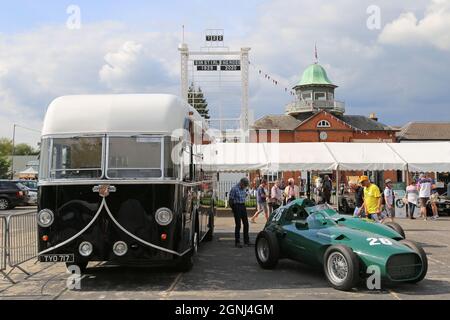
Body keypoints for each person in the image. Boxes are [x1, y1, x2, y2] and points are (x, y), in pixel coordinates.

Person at [229, 178, 251, 248]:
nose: (245, 187)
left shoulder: (243, 188)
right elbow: (231, 200)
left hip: (243, 206)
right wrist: (233, 209)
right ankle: (237, 242)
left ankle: (246, 241)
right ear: (241, 183)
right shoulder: (234, 189)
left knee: (246, 224)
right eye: (244, 185)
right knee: (238, 225)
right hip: (237, 206)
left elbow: (244, 196)